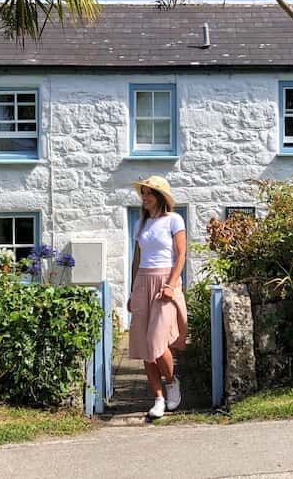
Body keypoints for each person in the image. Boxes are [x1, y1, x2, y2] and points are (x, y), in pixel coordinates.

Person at [128, 175, 187, 419]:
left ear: (160, 197)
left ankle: (172, 382)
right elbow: (136, 260)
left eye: (149, 193)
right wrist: (132, 292)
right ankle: (158, 398)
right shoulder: (140, 225)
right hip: (143, 282)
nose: (144, 197)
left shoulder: (174, 220)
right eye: (143, 193)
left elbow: (181, 255)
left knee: (157, 342)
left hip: (165, 282)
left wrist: (171, 285)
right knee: (144, 346)